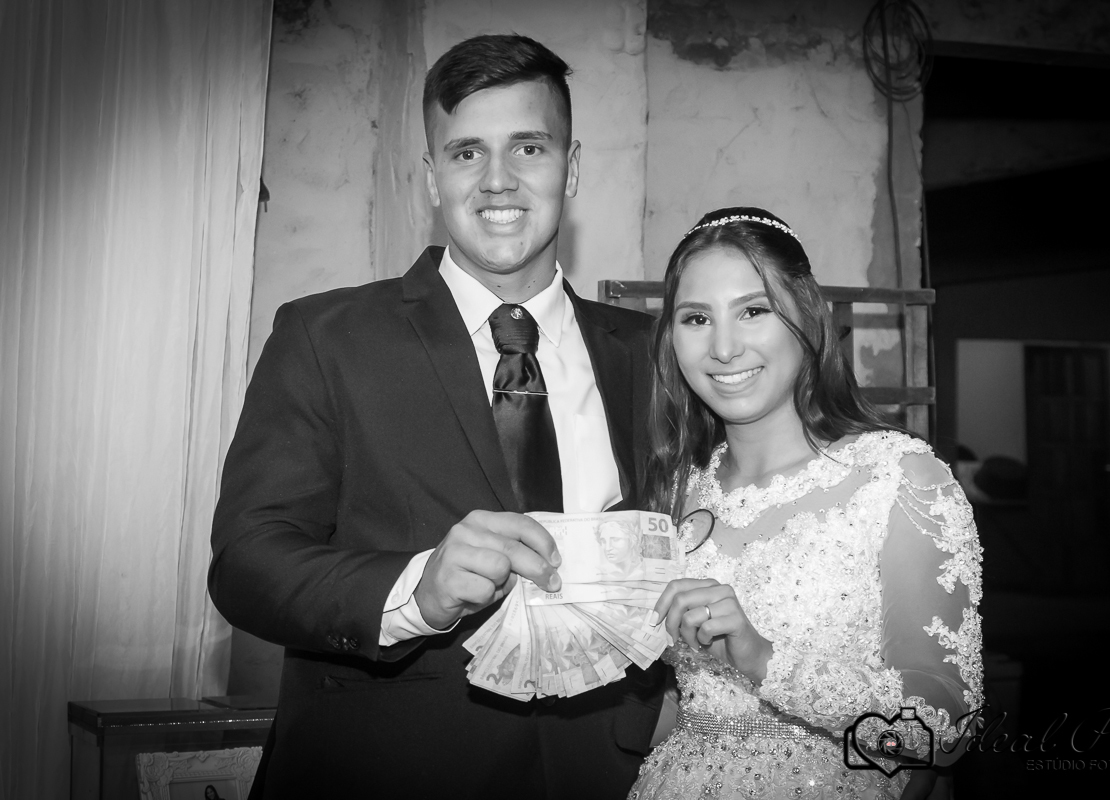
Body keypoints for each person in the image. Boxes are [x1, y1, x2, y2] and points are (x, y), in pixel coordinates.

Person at [208, 34, 664, 799]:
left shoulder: (654, 355)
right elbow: (247, 564)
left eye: (528, 147)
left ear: (572, 167)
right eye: (466, 153)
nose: (498, 180)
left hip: (611, 774)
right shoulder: (326, 338)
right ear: (431, 177)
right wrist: (416, 591)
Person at [628, 208, 983, 799]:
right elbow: (683, 710)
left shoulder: (899, 479)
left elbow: (944, 729)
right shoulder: (675, 490)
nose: (723, 347)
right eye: (696, 318)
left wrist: (763, 659)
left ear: (807, 317)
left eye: (754, 310)